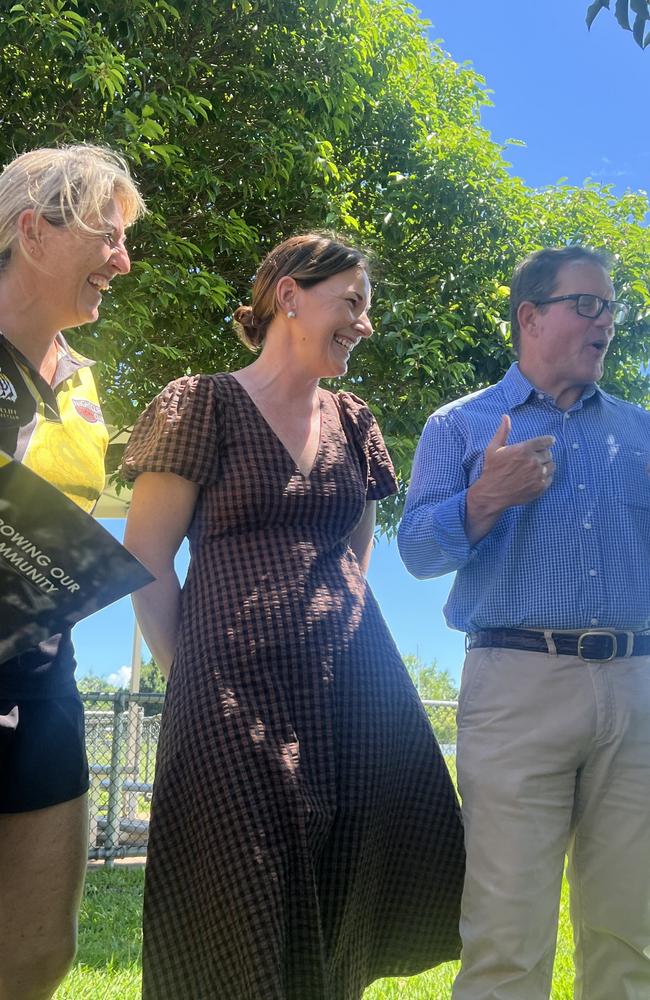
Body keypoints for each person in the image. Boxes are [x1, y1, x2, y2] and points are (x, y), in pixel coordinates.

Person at [122, 232, 465, 1000]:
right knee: (234, 883)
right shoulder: (201, 403)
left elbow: (355, 549)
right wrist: (194, 676)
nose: (365, 323)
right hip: (226, 691)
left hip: (349, 688)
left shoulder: (353, 421)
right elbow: (145, 560)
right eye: (353, 302)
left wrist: (330, 635)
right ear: (288, 296)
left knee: (343, 882)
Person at [398, 245, 650, 1000]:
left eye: (613, 307)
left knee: (632, 930)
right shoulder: (461, 426)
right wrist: (484, 500)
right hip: (515, 686)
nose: (607, 321)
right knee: (506, 933)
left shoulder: (642, 433)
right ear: (530, 316)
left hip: (639, 691)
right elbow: (414, 551)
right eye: (589, 304)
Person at [0, 144, 145, 999]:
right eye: (108, 238)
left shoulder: (87, 384)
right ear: (32, 229)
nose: (122, 262)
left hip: (42, 670)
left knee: (39, 949)